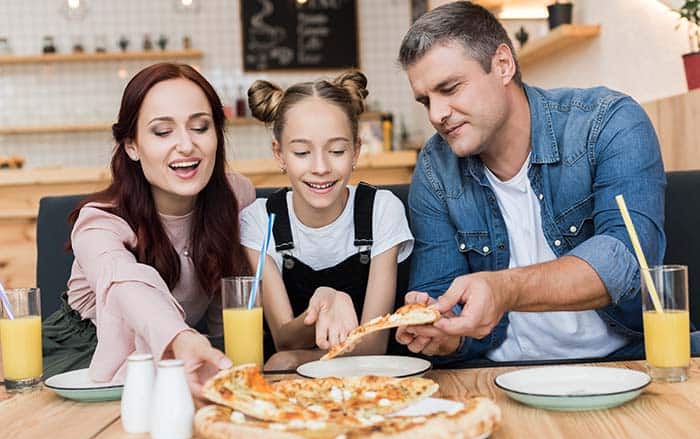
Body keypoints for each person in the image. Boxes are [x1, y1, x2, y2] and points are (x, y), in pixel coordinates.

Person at [393, 1, 690, 363]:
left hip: (628, 362)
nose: (437, 115)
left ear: (502, 64)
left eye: (450, 88)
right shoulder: (434, 167)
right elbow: (440, 298)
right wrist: (442, 333)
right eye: (426, 101)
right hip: (497, 376)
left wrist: (505, 288)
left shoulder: (608, 123)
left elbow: (624, 260)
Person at [42, 63, 256, 398]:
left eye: (200, 127)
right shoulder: (99, 222)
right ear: (132, 146)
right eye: (162, 132)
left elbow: (224, 297)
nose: (186, 145)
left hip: (176, 357)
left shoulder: (236, 195)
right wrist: (182, 338)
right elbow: (125, 283)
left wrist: (223, 358)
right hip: (86, 358)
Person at [241, 71, 413, 370]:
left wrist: (292, 360)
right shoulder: (260, 219)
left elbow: (374, 346)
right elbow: (285, 338)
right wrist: (322, 304)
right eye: (302, 152)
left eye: (336, 151)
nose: (320, 167)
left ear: (356, 151)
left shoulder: (382, 210)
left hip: (369, 379)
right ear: (279, 154)